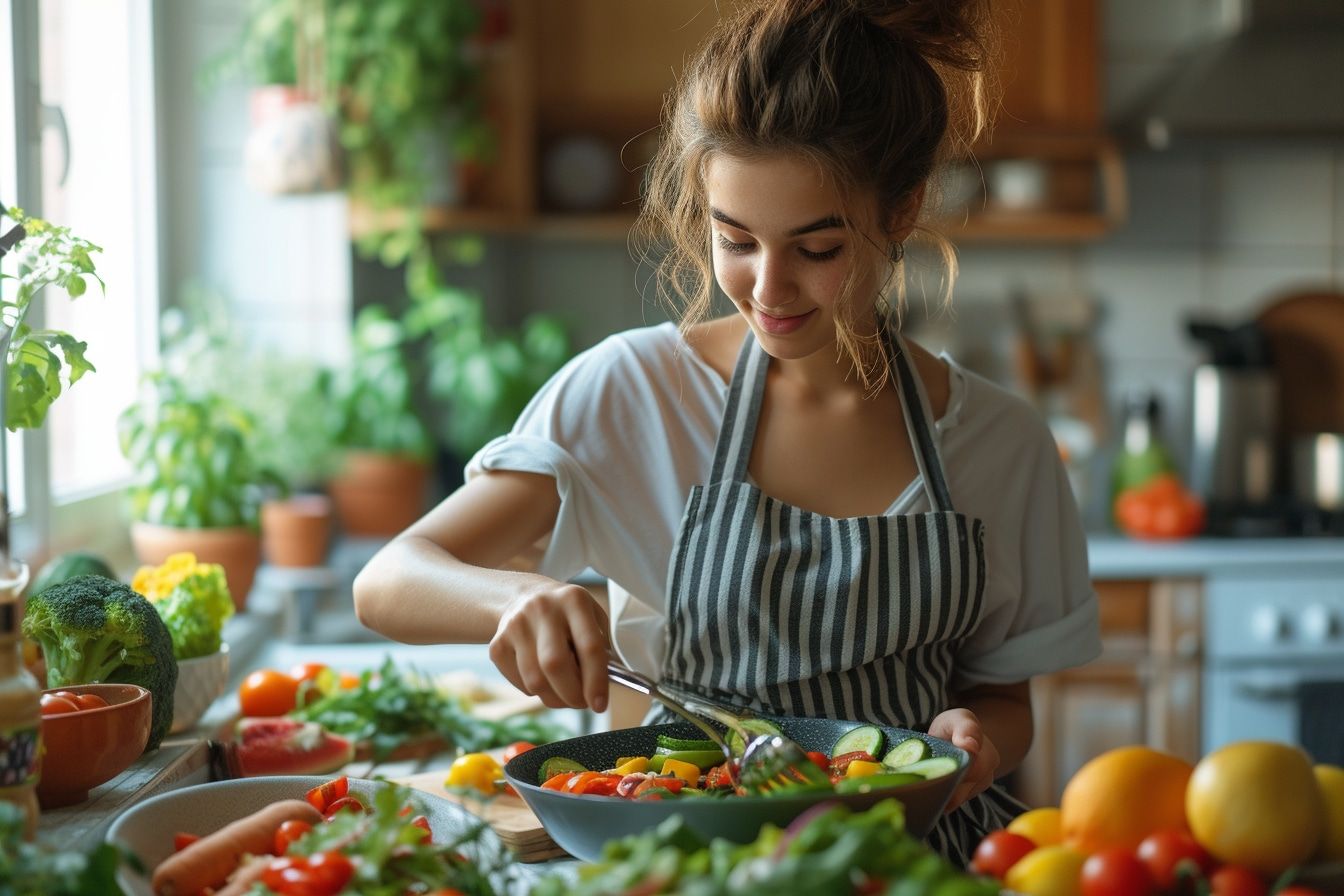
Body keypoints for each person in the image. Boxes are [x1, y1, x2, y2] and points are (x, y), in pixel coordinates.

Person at [354, 0, 1100, 864]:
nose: (768, 290)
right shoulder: (633, 394)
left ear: (902, 209)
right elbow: (389, 581)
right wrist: (514, 597)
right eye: (736, 241)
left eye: (817, 250)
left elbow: (1005, 698)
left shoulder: (1002, 443)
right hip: (681, 865)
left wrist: (980, 738)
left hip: (910, 866)